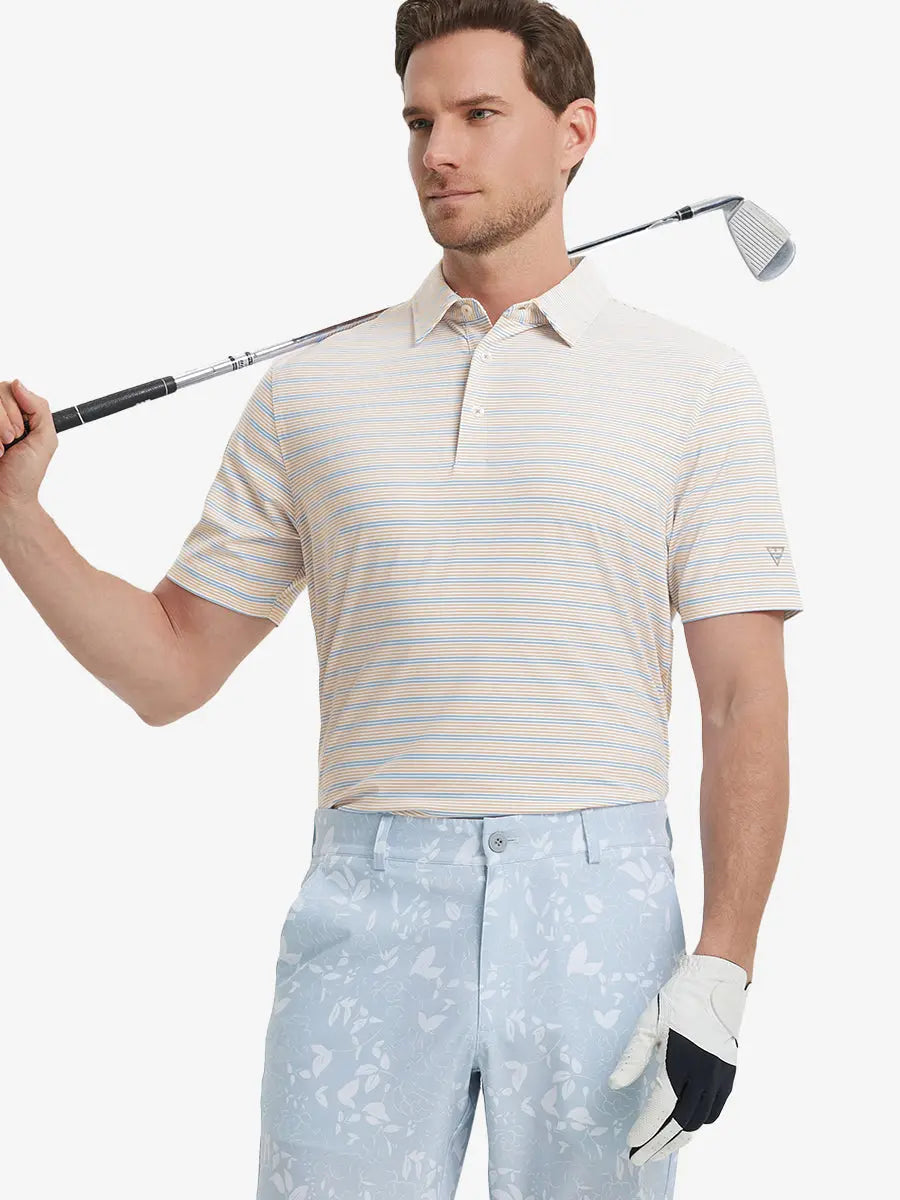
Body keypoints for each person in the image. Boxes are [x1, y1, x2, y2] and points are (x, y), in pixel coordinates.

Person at [0, 2, 803, 1196]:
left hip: (598, 904)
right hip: (368, 898)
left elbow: (743, 701)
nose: (441, 152)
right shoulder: (312, 394)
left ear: (575, 132)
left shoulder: (695, 385)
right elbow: (170, 669)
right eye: (421, 122)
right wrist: (15, 517)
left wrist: (725, 962)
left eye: (480, 115)